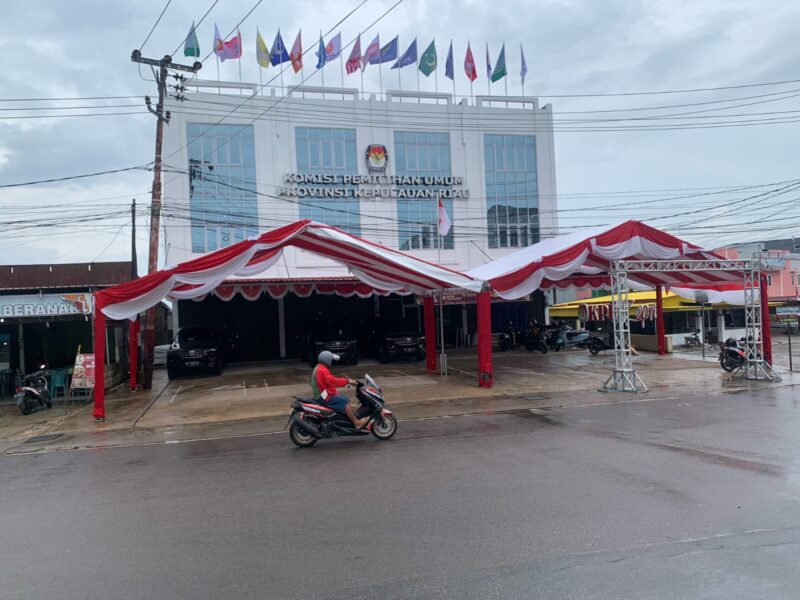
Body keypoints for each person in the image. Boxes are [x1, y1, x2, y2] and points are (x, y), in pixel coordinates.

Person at [310, 351, 368, 429]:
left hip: (322, 393)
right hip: (323, 396)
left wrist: (344, 383)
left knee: (343, 397)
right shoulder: (322, 370)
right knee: (345, 401)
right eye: (331, 360)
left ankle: (343, 420)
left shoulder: (319, 367)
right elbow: (333, 381)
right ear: (327, 360)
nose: (331, 362)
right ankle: (356, 423)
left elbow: (328, 382)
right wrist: (347, 381)